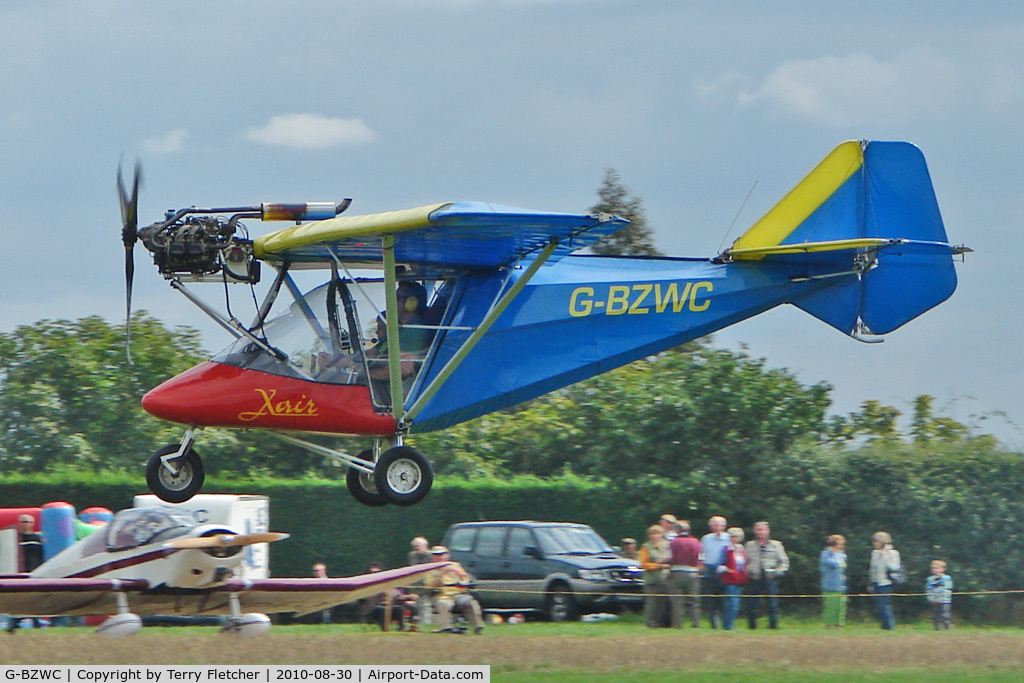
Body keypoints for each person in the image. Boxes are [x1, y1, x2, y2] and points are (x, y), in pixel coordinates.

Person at [427, 546, 483, 634]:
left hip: (458, 594)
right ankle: (447, 627)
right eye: (436, 555)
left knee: (470, 602)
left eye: (441, 554)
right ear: (432, 557)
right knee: (443, 603)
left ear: (446, 556)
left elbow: (466, 578)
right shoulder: (429, 569)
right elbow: (430, 586)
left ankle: (477, 626)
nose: (439, 557)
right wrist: (442, 574)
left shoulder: (455, 565)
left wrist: (460, 577)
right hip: (443, 595)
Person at [744, 520, 789, 629]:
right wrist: (746, 570)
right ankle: (752, 627)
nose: (761, 532)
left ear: (768, 531)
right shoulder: (749, 545)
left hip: (770, 578)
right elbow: (743, 561)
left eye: (763, 529)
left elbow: (784, 561)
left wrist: (777, 572)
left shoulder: (776, 545)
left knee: (772, 604)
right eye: (758, 530)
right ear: (754, 531)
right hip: (754, 577)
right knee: (751, 604)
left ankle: (773, 626)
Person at [359, 561, 415, 631]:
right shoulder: (364, 583)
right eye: (372, 572)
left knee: (398, 608)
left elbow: (396, 594)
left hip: (388, 607)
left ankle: (402, 628)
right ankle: (384, 629)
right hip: (373, 609)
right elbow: (362, 596)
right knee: (380, 609)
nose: (375, 574)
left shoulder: (386, 583)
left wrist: (408, 596)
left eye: (377, 572)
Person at [666, 521, 702, 628]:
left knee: (677, 600)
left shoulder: (674, 542)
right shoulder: (697, 542)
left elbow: (670, 558)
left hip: (677, 572)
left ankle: (678, 624)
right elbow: (701, 559)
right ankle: (696, 623)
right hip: (693, 573)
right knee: (694, 600)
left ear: (677, 530)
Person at [700, 515, 731, 628]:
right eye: (713, 524)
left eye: (718, 524)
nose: (716, 527)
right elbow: (701, 554)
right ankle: (713, 624)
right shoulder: (705, 538)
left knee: (724, 599)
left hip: (724, 571)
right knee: (710, 599)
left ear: (724, 526)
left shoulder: (729, 538)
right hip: (709, 570)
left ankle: (726, 624)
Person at [638, 524, 671, 628]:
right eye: (652, 534)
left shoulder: (668, 545)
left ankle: (662, 623)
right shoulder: (645, 547)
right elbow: (643, 564)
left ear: (662, 534)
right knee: (651, 603)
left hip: (666, 579)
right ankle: (650, 623)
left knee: (664, 603)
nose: (654, 536)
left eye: (657, 533)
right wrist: (658, 565)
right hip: (651, 580)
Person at [867, 531, 901, 630]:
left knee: (884, 605)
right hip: (876, 582)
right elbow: (872, 568)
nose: (874, 543)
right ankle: (883, 625)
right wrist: (871, 582)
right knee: (879, 606)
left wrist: (885, 557)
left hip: (886, 583)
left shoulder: (893, 553)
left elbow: (894, 567)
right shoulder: (874, 553)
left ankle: (890, 626)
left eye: (876, 541)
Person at [718, 527, 748, 630]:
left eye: (737, 536)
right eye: (732, 536)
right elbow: (719, 565)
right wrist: (728, 570)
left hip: (739, 580)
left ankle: (731, 625)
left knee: (736, 604)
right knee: (732, 603)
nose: (735, 538)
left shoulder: (741, 549)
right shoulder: (726, 549)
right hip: (729, 580)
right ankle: (728, 626)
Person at [819, 534, 847, 628]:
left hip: (840, 584)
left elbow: (843, 564)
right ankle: (829, 624)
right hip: (829, 584)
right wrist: (839, 563)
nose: (842, 545)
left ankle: (839, 625)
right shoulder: (826, 553)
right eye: (840, 542)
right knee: (830, 606)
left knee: (840, 606)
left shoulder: (841, 554)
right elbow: (831, 564)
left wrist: (839, 562)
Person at [408, 536, 433, 628]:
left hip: (430, 584)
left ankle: (425, 624)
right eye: (414, 546)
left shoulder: (432, 555)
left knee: (424, 603)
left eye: (418, 546)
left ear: (425, 546)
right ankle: (419, 624)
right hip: (417, 585)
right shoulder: (412, 555)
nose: (416, 548)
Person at [926, 559, 953, 630]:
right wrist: (931, 599)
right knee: (935, 615)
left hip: (944, 600)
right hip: (934, 601)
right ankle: (936, 628)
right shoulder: (930, 579)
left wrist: (940, 598)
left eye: (936, 568)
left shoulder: (947, 578)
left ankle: (947, 628)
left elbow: (947, 589)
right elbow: (929, 589)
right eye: (933, 568)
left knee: (945, 615)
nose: (934, 570)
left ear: (943, 569)